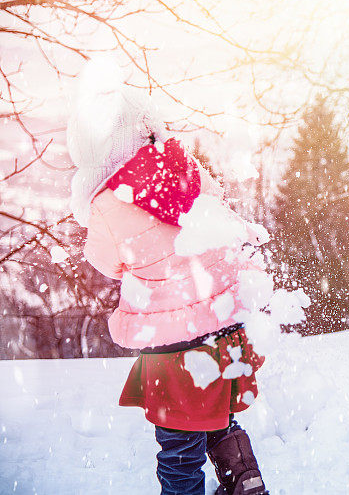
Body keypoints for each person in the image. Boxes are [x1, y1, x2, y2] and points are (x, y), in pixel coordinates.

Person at [68, 62, 270, 495]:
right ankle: (246, 482)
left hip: (172, 346)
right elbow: (219, 220)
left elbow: (107, 263)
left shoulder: (107, 204)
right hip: (221, 327)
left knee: (178, 448)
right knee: (219, 417)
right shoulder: (185, 167)